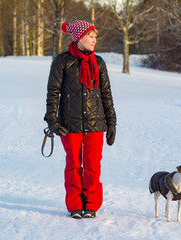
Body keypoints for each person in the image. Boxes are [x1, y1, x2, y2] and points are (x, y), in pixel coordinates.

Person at [44, 20, 116, 219]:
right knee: (73, 165)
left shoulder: (98, 62)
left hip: (96, 123)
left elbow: (106, 94)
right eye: (91, 36)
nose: (94, 40)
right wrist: (52, 120)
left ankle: (91, 205)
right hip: (69, 124)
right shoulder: (62, 61)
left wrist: (112, 123)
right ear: (79, 38)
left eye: (95, 37)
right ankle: (75, 205)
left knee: (93, 166)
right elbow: (53, 92)